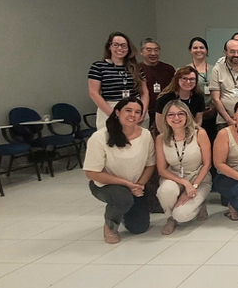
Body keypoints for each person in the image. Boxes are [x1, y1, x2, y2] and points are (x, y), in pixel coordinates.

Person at [83, 97, 155, 243]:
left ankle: (124, 212)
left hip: (135, 185)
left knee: (139, 228)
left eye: (137, 112)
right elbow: (91, 173)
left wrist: (139, 185)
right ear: (117, 112)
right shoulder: (100, 137)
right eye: (128, 110)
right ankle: (110, 225)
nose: (132, 115)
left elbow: (150, 165)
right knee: (122, 198)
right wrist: (127, 184)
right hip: (106, 185)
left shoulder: (145, 135)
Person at [155, 101, 212, 234]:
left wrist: (194, 186)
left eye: (181, 114)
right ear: (165, 118)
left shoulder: (199, 133)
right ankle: (170, 218)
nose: (176, 118)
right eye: (171, 115)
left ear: (187, 116)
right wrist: (185, 183)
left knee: (181, 214)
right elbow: (162, 170)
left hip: (199, 178)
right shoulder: (161, 138)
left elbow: (207, 163)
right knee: (165, 191)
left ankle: (199, 204)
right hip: (175, 178)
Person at [88, 32, 148, 129]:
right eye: (116, 45)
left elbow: (145, 93)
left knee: (138, 142)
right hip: (110, 109)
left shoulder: (136, 67)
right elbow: (94, 93)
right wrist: (114, 115)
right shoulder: (98, 66)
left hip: (135, 109)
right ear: (109, 47)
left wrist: (142, 112)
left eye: (124, 46)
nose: (120, 48)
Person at [138, 38, 175, 128]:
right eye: (149, 50)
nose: (153, 53)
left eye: (156, 50)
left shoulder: (169, 69)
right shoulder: (136, 70)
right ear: (141, 52)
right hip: (145, 112)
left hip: (166, 112)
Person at [155, 66, 205, 131]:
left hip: (191, 133)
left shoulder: (198, 97)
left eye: (192, 79)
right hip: (168, 133)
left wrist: (191, 134)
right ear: (177, 80)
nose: (188, 82)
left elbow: (198, 121)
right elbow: (160, 123)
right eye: (184, 78)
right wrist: (168, 137)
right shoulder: (164, 98)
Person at [188, 37, 218, 142]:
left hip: (214, 113)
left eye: (202, 47)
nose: (198, 50)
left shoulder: (216, 69)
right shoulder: (185, 70)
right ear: (190, 50)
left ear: (206, 50)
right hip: (193, 114)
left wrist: (214, 106)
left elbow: (222, 90)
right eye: (195, 48)